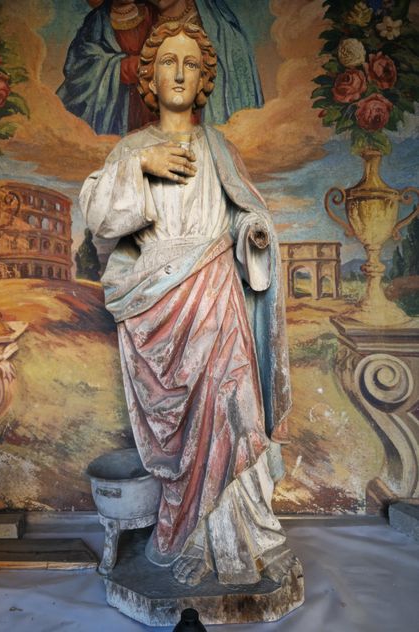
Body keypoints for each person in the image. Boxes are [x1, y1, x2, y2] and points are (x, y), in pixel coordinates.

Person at [80, 21, 292, 587]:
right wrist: (139, 167)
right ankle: (185, 534)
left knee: (236, 410)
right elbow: (98, 218)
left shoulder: (219, 149)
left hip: (218, 296)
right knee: (184, 433)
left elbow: (242, 213)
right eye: (168, 62)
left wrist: (253, 233)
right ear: (149, 78)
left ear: (203, 81)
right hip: (158, 305)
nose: (179, 73)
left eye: (190, 64)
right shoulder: (130, 149)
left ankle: (239, 537)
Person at [58, 0, 263, 135]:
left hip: (194, 131)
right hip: (138, 123)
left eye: (191, 64)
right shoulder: (122, 17)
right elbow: (80, 65)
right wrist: (126, 67)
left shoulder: (220, 31)